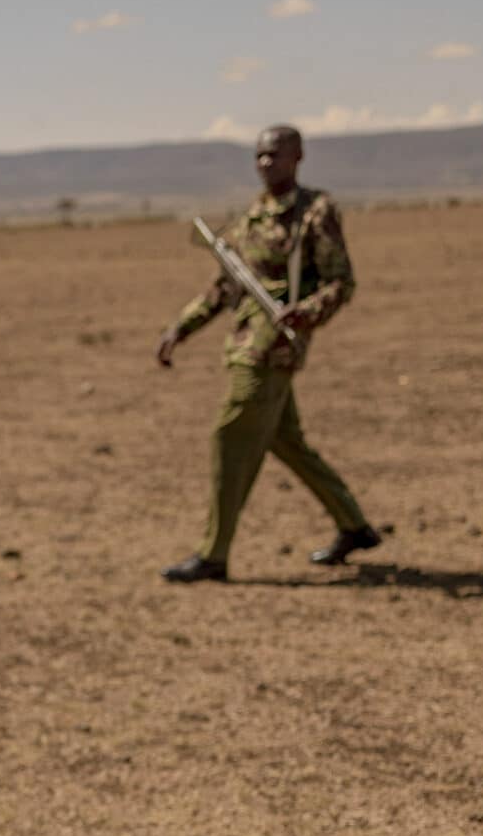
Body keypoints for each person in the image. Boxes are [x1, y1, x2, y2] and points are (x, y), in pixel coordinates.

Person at [154, 123, 381, 582]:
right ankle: (354, 525)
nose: (265, 163)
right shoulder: (252, 218)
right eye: (259, 155)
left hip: (270, 352)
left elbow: (342, 281)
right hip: (244, 341)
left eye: (274, 155)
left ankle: (213, 554)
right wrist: (182, 327)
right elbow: (225, 286)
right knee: (287, 442)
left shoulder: (315, 213)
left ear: (297, 157)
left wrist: (306, 312)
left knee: (230, 440)